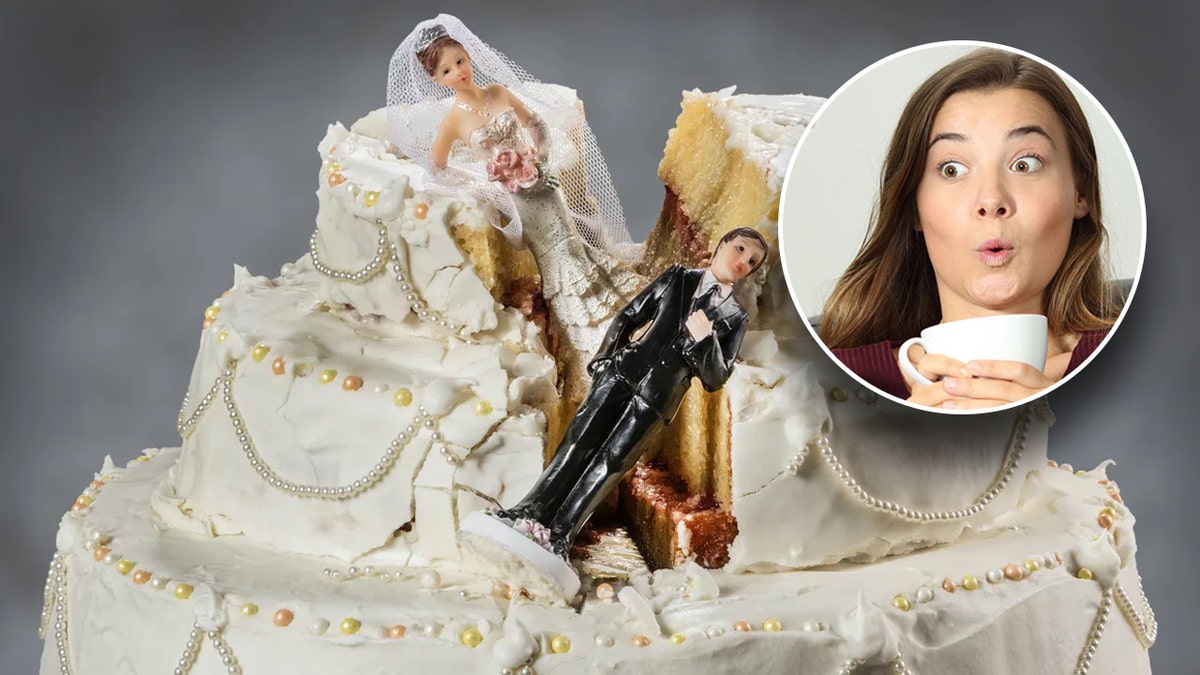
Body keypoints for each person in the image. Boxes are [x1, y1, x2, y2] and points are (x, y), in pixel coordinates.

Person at [820, 48, 1120, 411]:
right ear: (912, 205)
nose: (991, 200)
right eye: (952, 170)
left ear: (1079, 192)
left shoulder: (1144, 363)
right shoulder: (821, 383)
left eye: (1025, 164)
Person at [387, 15, 643, 397]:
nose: (458, 71)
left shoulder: (498, 92)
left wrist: (538, 156)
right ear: (437, 79)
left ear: (469, 57)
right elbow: (436, 167)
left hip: (542, 183)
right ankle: (591, 344)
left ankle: (619, 314)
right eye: (447, 69)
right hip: (517, 197)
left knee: (573, 245)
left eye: (460, 61)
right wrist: (484, 182)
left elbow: (536, 122)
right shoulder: (453, 121)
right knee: (554, 260)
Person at [495, 227, 768, 557]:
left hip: (657, 399)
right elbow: (630, 314)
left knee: (611, 463)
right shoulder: (678, 277)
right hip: (622, 372)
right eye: (739, 249)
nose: (743, 261)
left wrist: (704, 341)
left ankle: (561, 533)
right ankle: (529, 510)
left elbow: (715, 377)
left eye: (752, 260)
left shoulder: (734, 317)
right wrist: (605, 359)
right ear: (721, 245)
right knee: (578, 442)